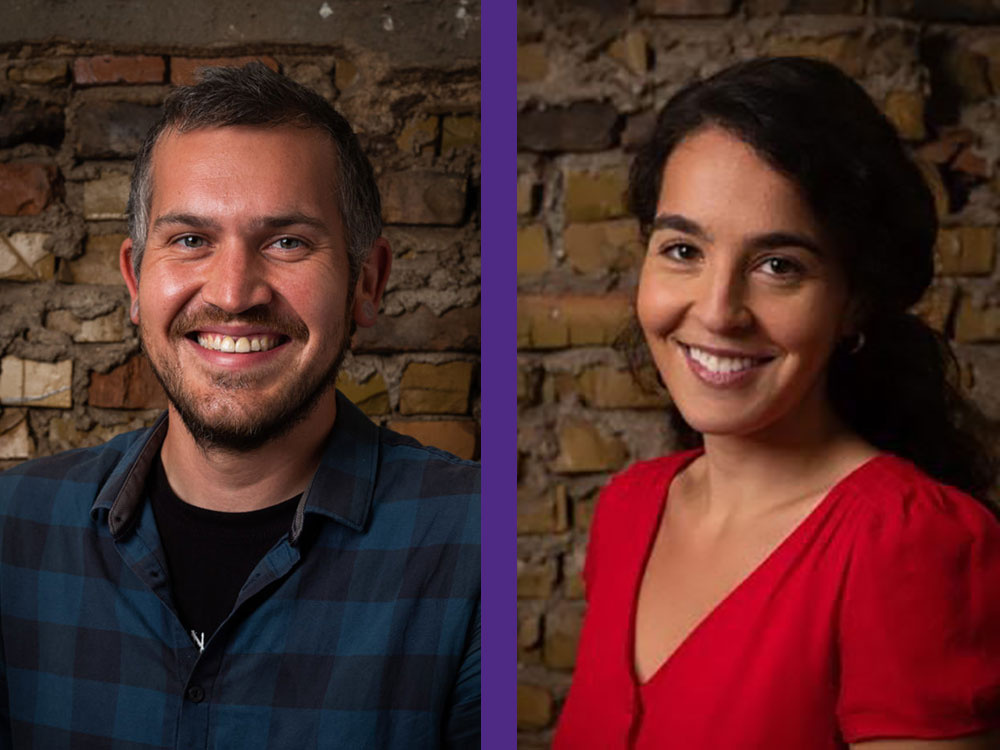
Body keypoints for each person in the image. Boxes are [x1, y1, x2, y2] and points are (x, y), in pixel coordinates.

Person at [0, 63, 480, 749]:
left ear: (367, 282)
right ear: (136, 280)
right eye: (191, 240)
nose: (233, 292)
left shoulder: (474, 544)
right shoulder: (12, 533)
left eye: (287, 242)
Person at [554, 57, 1000, 749]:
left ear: (853, 300)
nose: (718, 310)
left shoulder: (912, 546)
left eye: (778, 265)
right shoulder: (627, 510)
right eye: (682, 249)